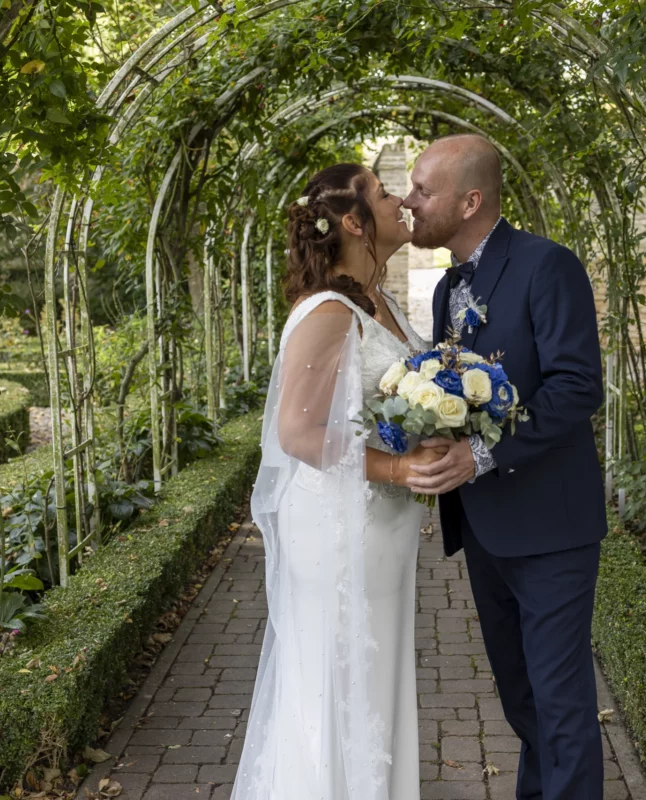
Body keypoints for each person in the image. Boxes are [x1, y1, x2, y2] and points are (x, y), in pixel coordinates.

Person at [403, 134, 608, 800]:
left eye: (422, 189)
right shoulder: (445, 289)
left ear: (470, 200)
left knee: (559, 702)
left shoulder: (547, 266)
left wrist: (481, 453)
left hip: (551, 526)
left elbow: (578, 386)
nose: (409, 201)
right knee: (522, 701)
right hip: (487, 527)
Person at [230, 163, 442, 800]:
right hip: (340, 526)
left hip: (379, 525)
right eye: (383, 194)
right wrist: (399, 467)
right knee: (338, 681)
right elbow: (297, 434)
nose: (400, 199)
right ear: (353, 222)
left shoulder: (378, 301)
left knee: (371, 679)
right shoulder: (327, 310)